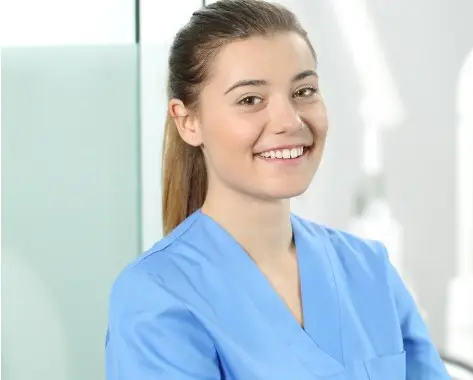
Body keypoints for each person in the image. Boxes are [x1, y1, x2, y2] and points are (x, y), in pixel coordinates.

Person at [104, 1, 451, 379]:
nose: (289, 120)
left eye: (304, 91)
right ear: (188, 122)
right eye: (250, 100)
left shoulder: (369, 271)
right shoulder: (157, 295)